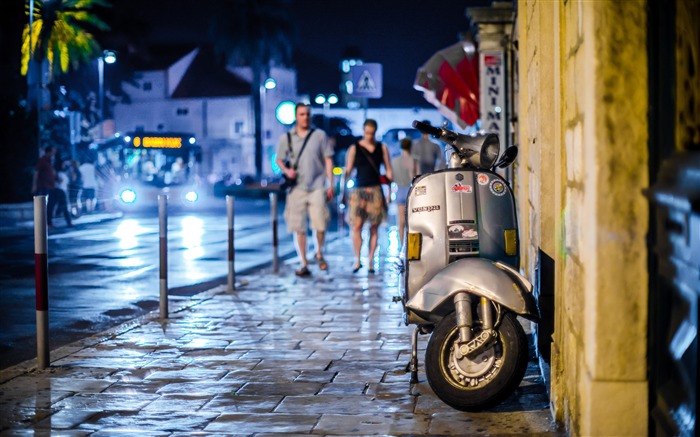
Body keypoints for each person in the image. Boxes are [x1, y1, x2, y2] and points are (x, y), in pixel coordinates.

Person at [275, 103, 334, 277]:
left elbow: (328, 160)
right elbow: (279, 159)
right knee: (298, 227)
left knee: (320, 223)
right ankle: (303, 262)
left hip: (317, 185)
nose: (305, 117)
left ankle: (319, 253)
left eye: (307, 114)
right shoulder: (287, 137)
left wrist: (331, 183)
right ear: (296, 116)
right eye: (301, 114)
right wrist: (287, 171)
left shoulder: (319, 135)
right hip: (296, 188)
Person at [344, 119, 393, 273]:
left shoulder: (381, 148)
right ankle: (357, 259)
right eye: (367, 133)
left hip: (375, 190)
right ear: (363, 131)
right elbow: (348, 170)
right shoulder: (355, 148)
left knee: (374, 227)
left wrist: (389, 191)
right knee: (357, 226)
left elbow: (389, 170)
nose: (369, 136)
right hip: (359, 191)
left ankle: (371, 260)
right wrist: (343, 191)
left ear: (375, 132)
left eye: (372, 133)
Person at [32, 147, 72, 227]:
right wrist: (34, 185)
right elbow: (36, 173)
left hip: (52, 186)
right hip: (45, 186)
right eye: (53, 152)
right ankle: (49, 223)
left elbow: (52, 173)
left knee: (62, 196)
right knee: (50, 205)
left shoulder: (50, 162)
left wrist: (57, 179)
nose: (54, 154)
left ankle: (68, 221)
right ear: (48, 152)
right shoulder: (42, 161)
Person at [390, 137, 418, 246]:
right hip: (411, 191)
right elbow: (416, 176)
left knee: (400, 221)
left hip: (399, 190)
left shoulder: (394, 161)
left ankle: (402, 246)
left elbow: (392, 177)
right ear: (410, 146)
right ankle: (411, 245)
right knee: (412, 221)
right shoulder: (413, 159)